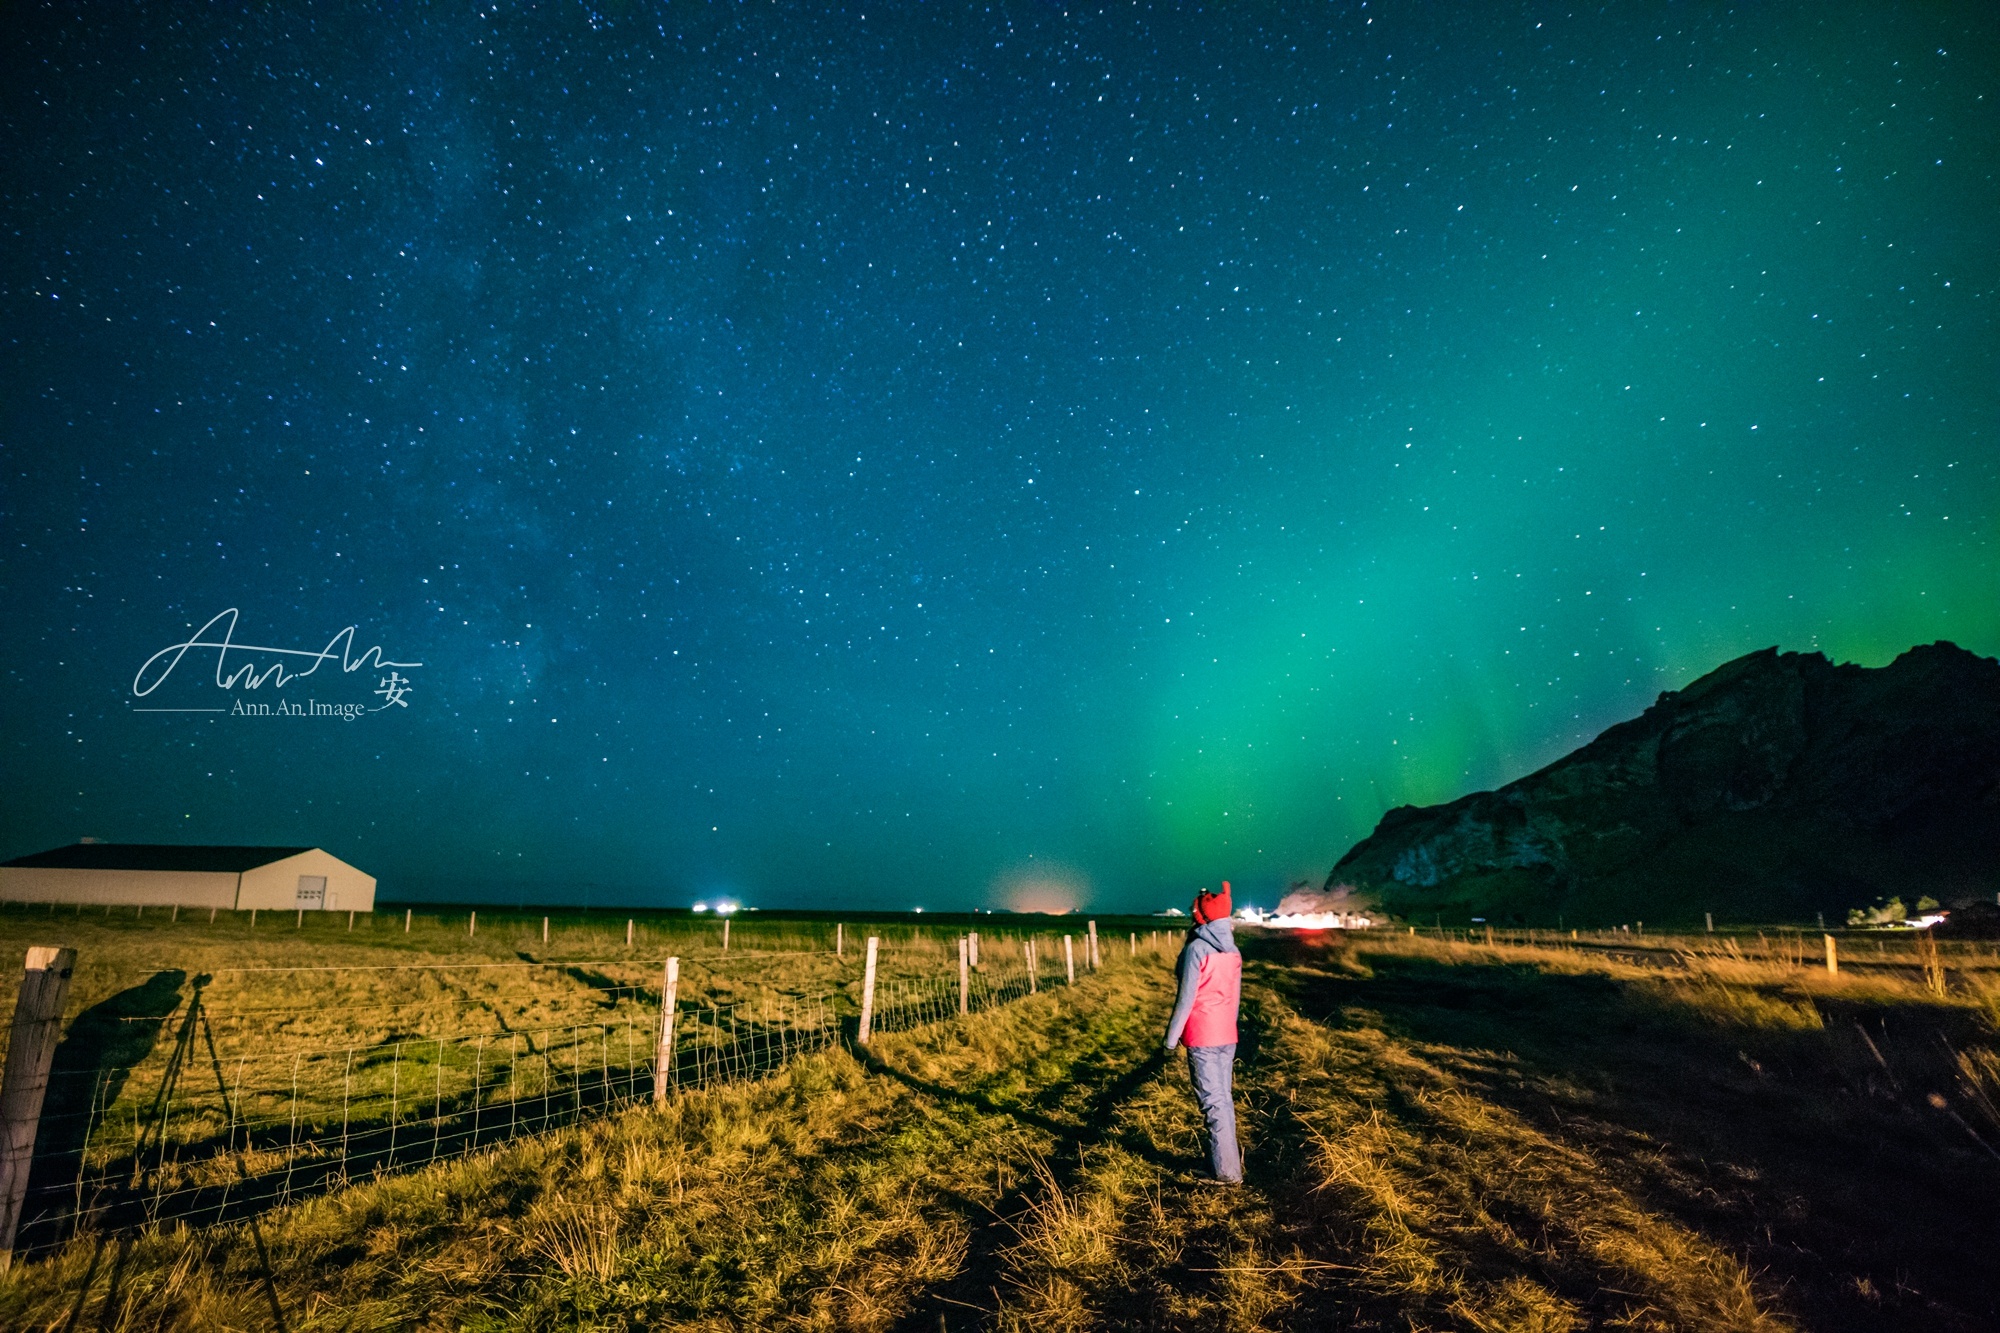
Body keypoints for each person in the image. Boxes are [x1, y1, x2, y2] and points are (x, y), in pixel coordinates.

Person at [1163, 880, 1243, 1184]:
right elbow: (1234, 999)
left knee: (1213, 1104)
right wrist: (1230, 1028)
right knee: (1223, 1100)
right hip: (1226, 1034)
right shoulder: (1233, 951)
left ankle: (1226, 1174)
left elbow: (1186, 998)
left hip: (1203, 1035)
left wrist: (1170, 1041)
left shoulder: (1197, 949)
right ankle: (1224, 1164)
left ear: (1201, 917)